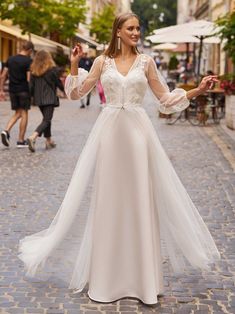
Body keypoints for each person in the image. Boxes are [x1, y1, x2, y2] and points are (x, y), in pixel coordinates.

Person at [18, 13, 220, 305]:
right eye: (131, 28)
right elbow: (76, 93)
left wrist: (198, 90)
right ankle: (107, 279)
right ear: (118, 31)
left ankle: (143, 281)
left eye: (138, 28)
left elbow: (164, 100)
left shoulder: (147, 62)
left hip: (139, 137)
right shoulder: (102, 62)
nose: (136, 32)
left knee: (140, 200)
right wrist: (74, 64)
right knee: (109, 201)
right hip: (110, 136)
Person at [27, 50, 64, 153]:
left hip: (38, 99)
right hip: (49, 98)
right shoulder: (52, 70)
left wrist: (30, 97)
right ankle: (33, 136)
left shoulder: (34, 71)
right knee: (47, 120)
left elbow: (31, 86)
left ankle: (48, 140)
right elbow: (58, 82)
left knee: (46, 119)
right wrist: (65, 90)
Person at [0, 41, 34, 148]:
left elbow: (3, 76)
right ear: (30, 50)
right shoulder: (28, 61)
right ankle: (20, 140)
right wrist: (31, 92)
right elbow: (29, 79)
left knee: (18, 112)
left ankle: (6, 131)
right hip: (23, 90)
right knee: (24, 113)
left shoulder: (10, 59)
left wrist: (1, 89)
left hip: (12, 90)